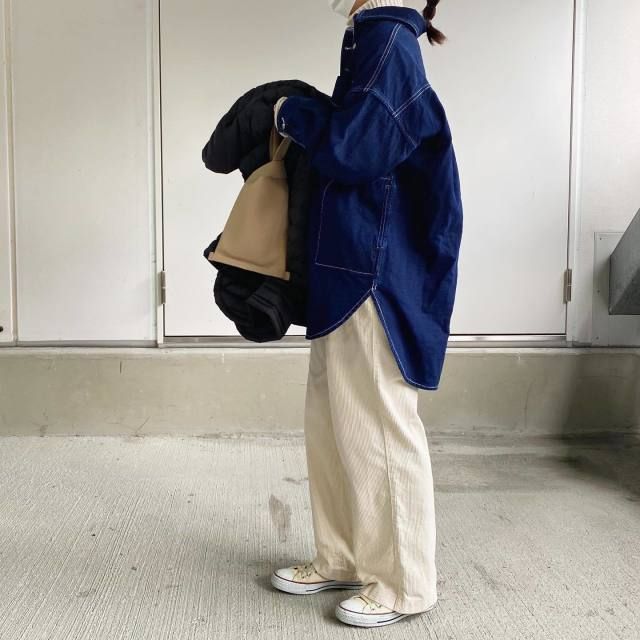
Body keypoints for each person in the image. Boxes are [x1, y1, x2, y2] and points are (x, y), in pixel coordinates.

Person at [270, 0, 463, 629]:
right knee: (335, 421)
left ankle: (404, 583)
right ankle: (344, 555)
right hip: (347, 265)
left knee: (378, 424)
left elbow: (356, 151)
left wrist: (290, 112)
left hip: (372, 272)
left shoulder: (388, 41)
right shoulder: (371, 39)